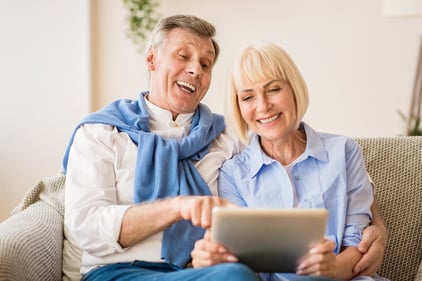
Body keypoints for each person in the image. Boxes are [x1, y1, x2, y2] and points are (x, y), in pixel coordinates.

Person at [63, 15, 385, 281]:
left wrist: (377, 230)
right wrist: (176, 207)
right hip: (120, 272)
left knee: (233, 274)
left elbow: (335, 177)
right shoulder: (102, 132)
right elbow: (86, 227)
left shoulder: (226, 138)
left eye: (206, 64)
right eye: (183, 56)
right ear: (151, 59)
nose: (196, 70)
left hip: (197, 274)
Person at [191, 42, 388, 281]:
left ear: (293, 89)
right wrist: (212, 259)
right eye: (248, 97)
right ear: (239, 107)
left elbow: (357, 245)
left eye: (273, 89)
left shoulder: (344, 151)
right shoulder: (233, 173)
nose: (263, 106)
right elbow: (241, 261)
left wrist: (330, 268)